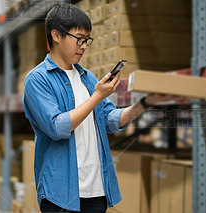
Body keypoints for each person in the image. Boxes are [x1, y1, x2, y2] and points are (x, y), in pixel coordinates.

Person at [23, 4, 178, 213]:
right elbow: (58, 127)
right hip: (60, 196)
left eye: (87, 40)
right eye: (79, 38)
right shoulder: (38, 80)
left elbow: (111, 120)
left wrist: (146, 103)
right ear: (56, 35)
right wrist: (97, 96)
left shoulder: (87, 78)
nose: (84, 46)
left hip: (96, 191)